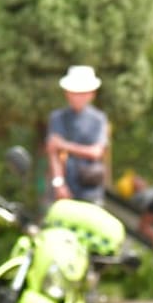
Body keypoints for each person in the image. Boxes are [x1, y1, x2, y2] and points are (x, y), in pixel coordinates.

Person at [46, 65, 108, 205]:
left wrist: (64, 145)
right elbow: (53, 152)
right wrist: (59, 184)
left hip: (91, 188)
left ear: (92, 94)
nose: (78, 97)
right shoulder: (57, 118)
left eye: (83, 92)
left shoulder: (98, 119)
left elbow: (96, 152)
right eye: (75, 92)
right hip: (64, 189)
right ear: (67, 93)